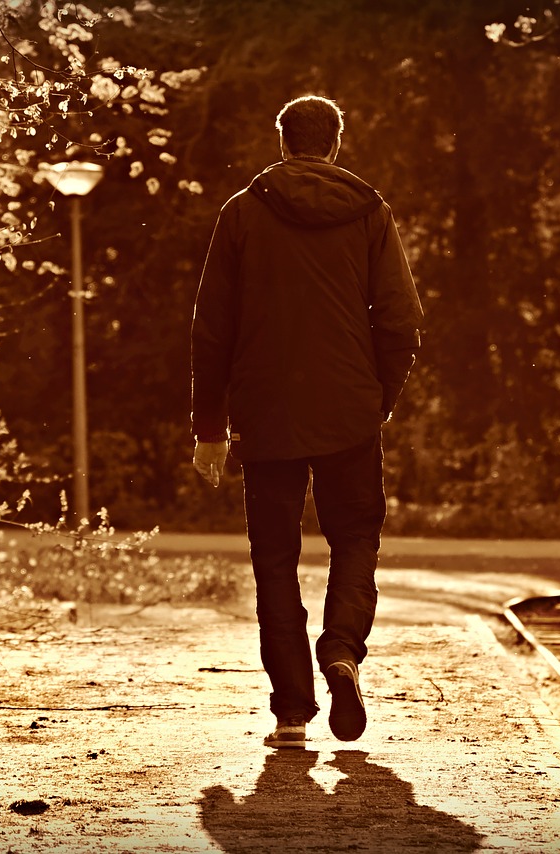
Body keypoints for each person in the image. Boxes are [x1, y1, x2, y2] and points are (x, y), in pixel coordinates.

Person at [190, 95, 423, 750]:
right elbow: (403, 322)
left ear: (283, 141)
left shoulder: (240, 214)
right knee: (355, 538)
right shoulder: (370, 213)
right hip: (348, 410)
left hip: (265, 415)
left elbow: (211, 331)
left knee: (275, 558)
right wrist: (374, 398)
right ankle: (342, 652)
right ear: (337, 142)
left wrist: (210, 429)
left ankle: (292, 711)